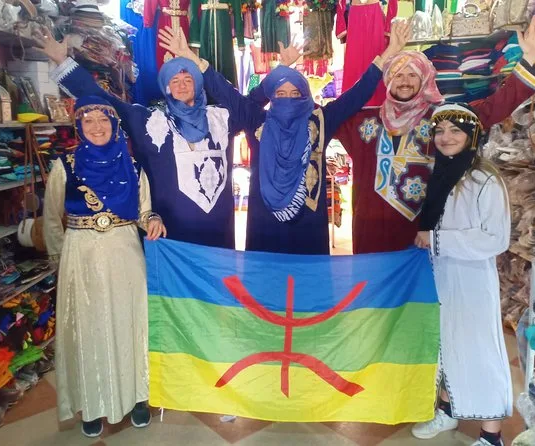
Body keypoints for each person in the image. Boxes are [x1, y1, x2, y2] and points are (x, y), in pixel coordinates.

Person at [158, 21, 411, 254]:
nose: (287, 99)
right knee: (265, 284)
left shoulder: (321, 121)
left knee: (309, 283)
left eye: (295, 94)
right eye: (280, 93)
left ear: (305, 97)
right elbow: (225, 91)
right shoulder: (257, 121)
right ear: (271, 98)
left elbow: (357, 94)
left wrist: (390, 52)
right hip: (264, 224)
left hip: (309, 224)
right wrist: (190, 56)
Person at [35, 28, 282, 248]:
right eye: (175, 80)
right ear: (166, 87)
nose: (182, 85)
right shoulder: (149, 122)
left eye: (188, 79)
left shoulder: (221, 118)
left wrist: (196, 61)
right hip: (169, 240)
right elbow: (103, 98)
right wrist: (62, 62)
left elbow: (246, 107)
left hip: (218, 239)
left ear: (199, 84)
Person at [333, 16, 535, 254]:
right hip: (370, 235)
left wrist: (529, 59)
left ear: (424, 79)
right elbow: (325, 117)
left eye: (412, 75)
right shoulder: (362, 121)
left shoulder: (441, 118)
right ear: (387, 80)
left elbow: (492, 109)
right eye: (398, 75)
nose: (404, 82)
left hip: (421, 234)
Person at [43, 96, 166, 438]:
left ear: (114, 125)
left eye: (103, 120)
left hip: (124, 253)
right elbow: (51, 218)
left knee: (132, 322)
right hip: (81, 258)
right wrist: (60, 262)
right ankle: (91, 403)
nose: (97, 127)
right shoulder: (64, 166)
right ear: (79, 127)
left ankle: (139, 397)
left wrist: (153, 220)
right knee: (88, 328)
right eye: (89, 120)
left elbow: (143, 211)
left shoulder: (133, 166)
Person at [412, 103, 512, 446]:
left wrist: (436, 239)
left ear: (472, 135)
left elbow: (495, 238)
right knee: (445, 345)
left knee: (479, 350)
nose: (446, 137)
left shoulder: (485, 180)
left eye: (456, 130)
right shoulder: (442, 174)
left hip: (471, 280)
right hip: (441, 275)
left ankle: (491, 435)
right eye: (439, 131)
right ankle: (448, 411)